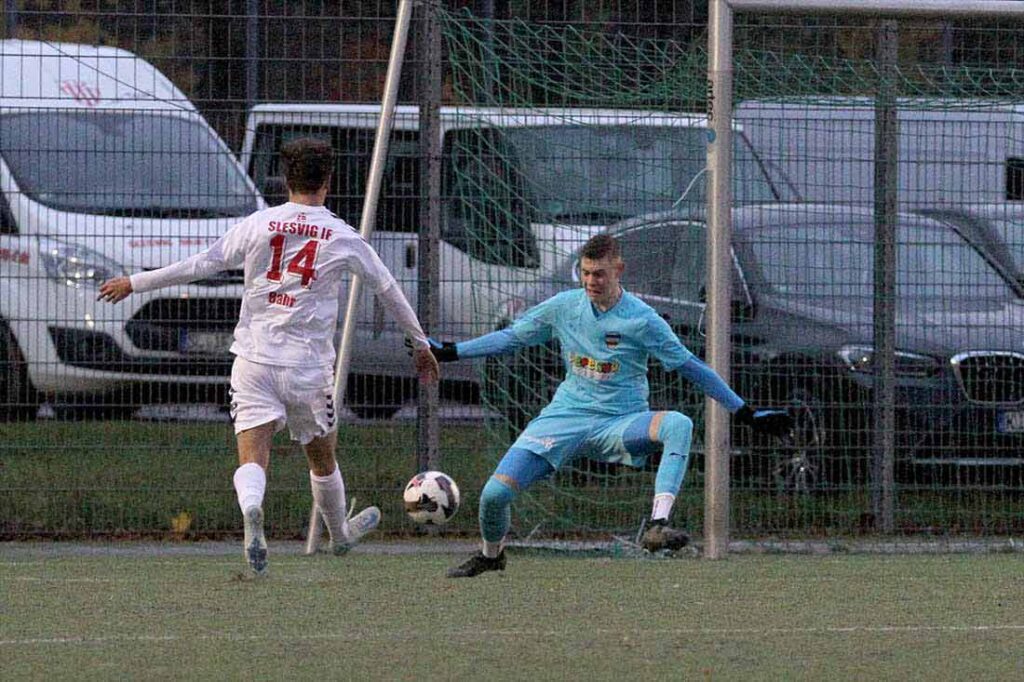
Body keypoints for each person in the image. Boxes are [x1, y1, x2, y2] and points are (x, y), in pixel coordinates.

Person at [98, 137, 439, 577]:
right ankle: (339, 534)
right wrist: (420, 344)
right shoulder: (342, 235)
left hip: (254, 361)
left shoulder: (259, 224)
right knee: (322, 458)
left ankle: (254, 511)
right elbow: (388, 288)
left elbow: (203, 263)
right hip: (307, 368)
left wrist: (135, 282)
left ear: (286, 180)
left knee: (252, 456)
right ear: (328, 181)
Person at [427, 233, 792, 578]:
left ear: (619, 270)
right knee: (494, 496)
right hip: (563, 419)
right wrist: (453, 351)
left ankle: (657, 525)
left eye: (599, 273)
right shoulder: (564, 308)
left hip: (620, 423)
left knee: (678, 424)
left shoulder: (643, 319)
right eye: (585, 273)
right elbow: (511, 338)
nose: (591, 281)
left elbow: (691, 367)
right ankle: (492, 556)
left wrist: (744, 411)